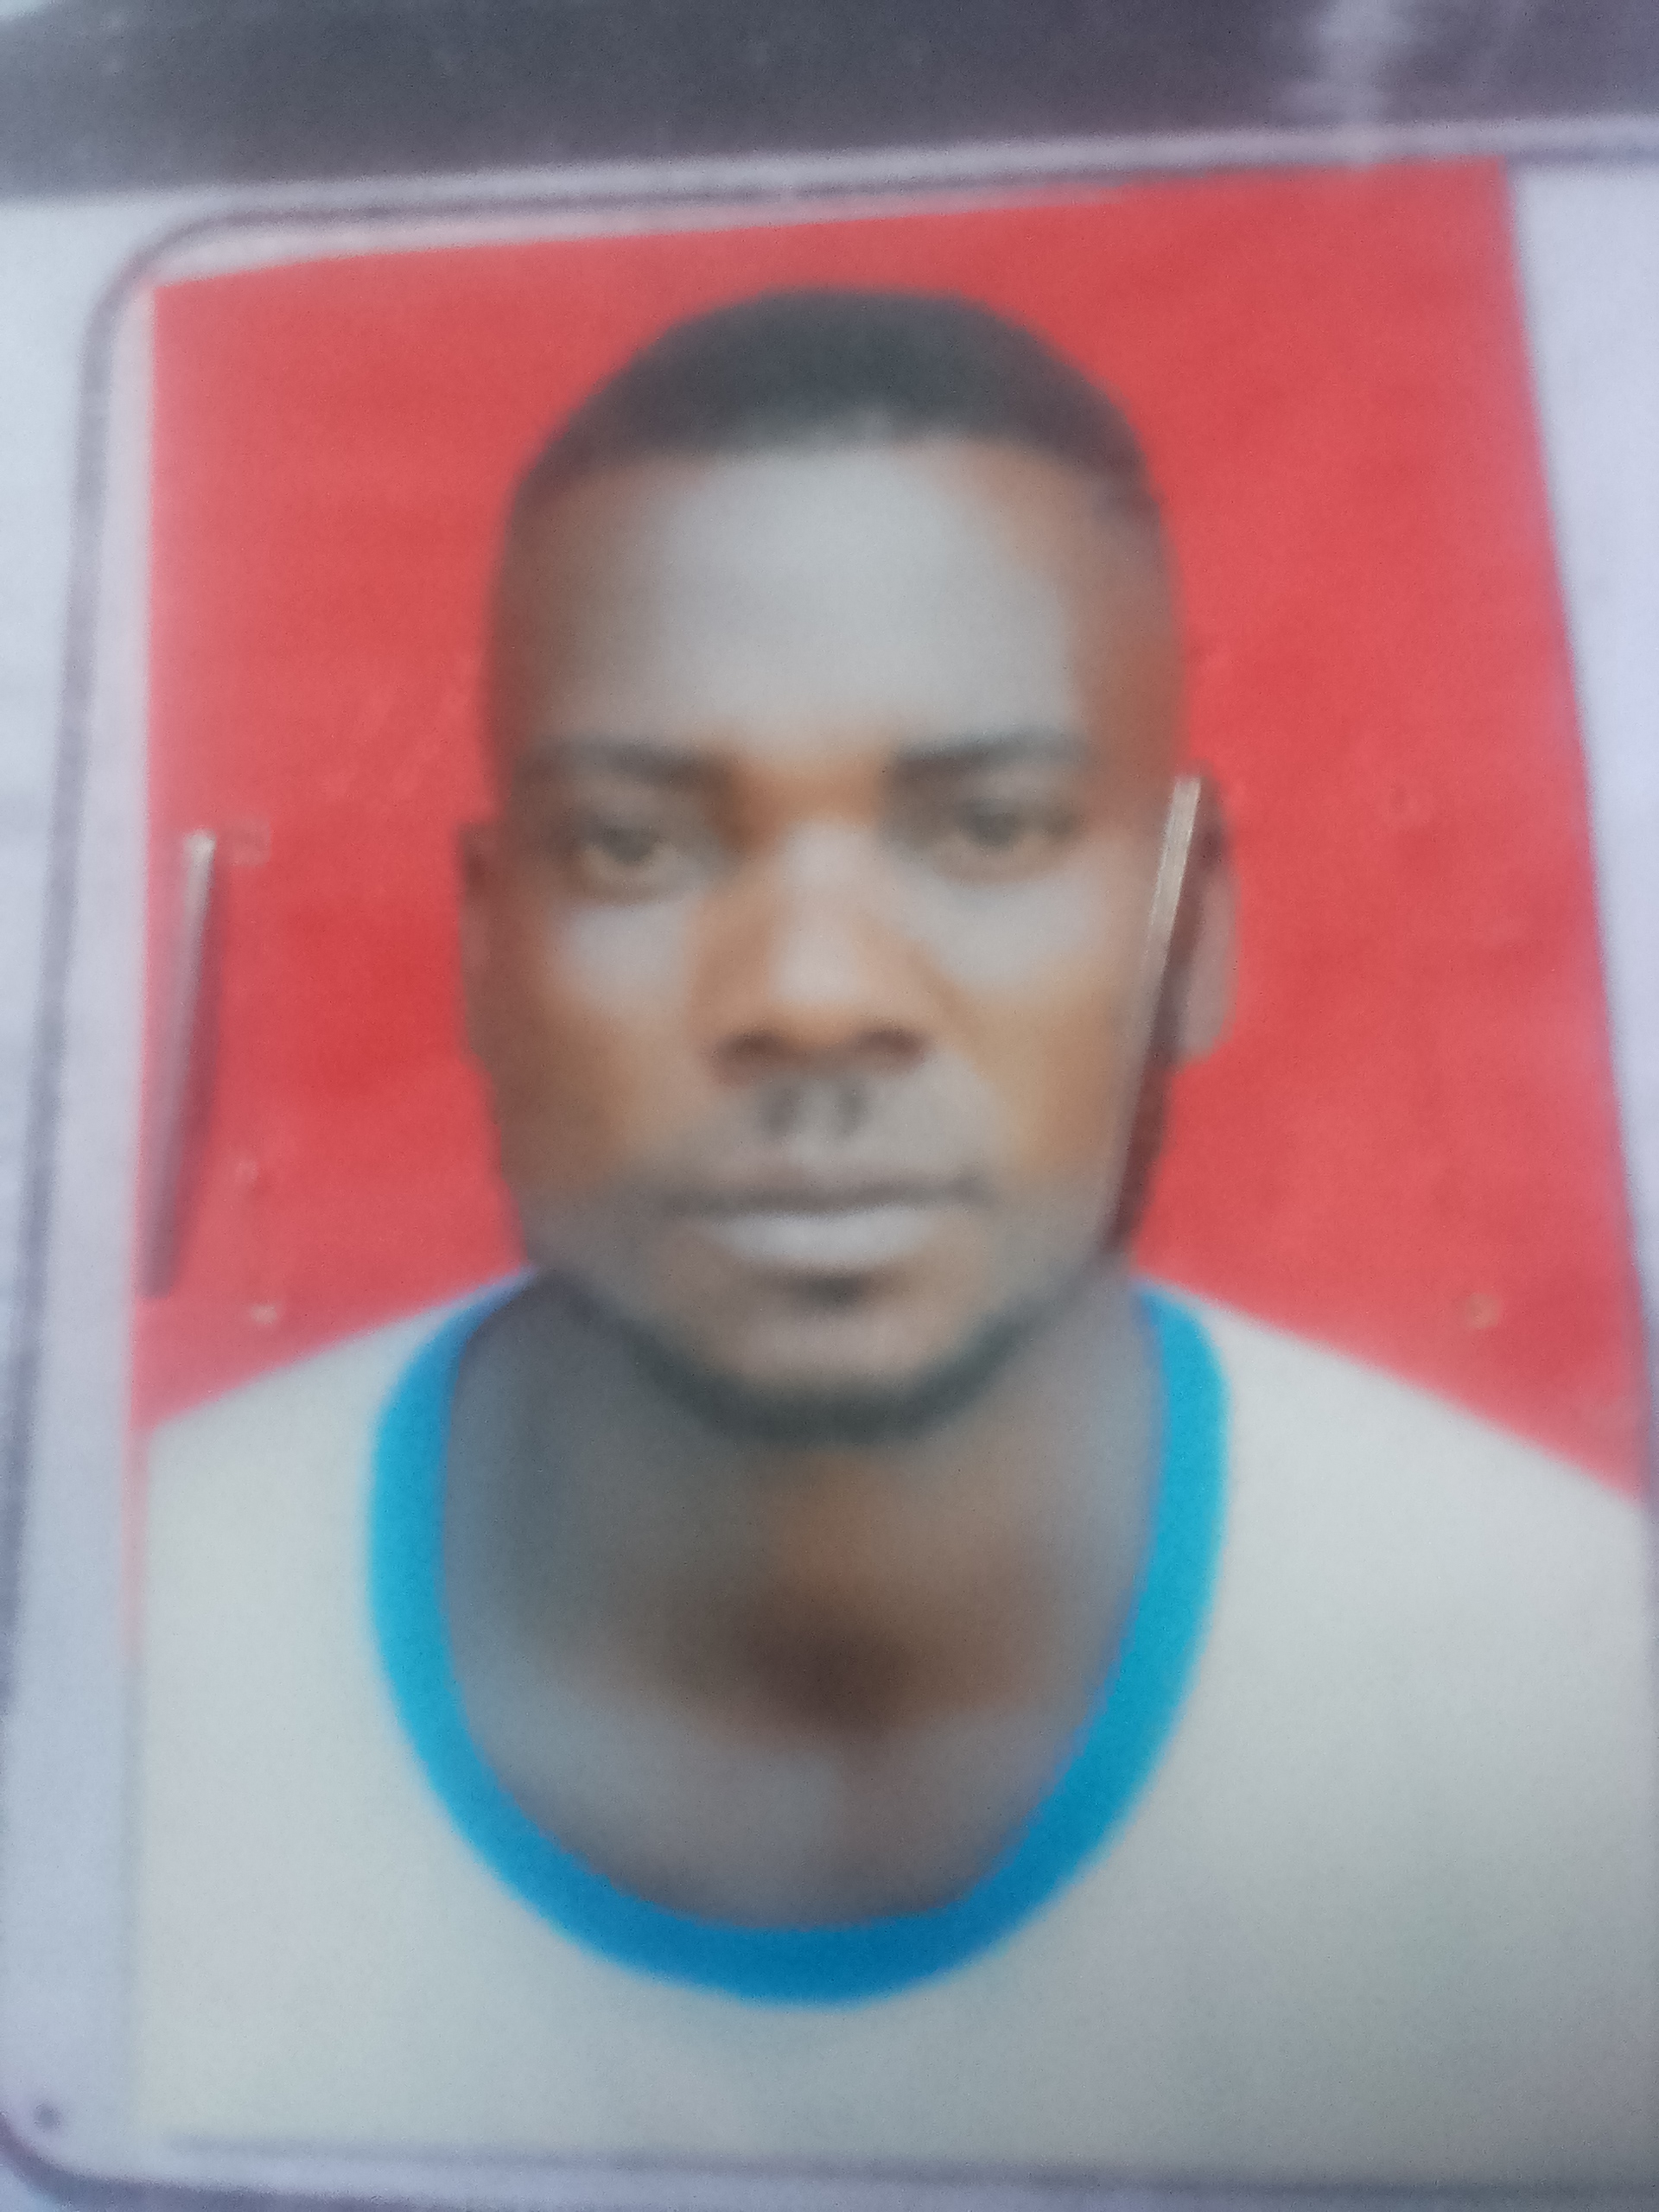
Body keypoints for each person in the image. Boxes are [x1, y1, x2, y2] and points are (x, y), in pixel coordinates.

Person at [136, 291, 1659, 2183]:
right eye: (634, 843)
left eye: (991, 827)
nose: (814, 993)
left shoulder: (1575, 1681)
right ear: (487, 950)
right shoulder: (117, 1655)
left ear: (1189, 927)